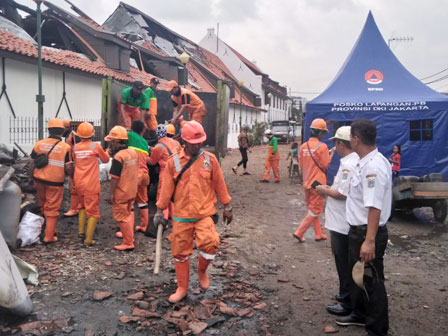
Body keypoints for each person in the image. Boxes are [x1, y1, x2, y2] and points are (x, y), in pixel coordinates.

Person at [154, 121, 233, 303]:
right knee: (180, 251)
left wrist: (227, 207)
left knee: (210, 242)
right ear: (184, 141)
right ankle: (182, 287)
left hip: (204, 213)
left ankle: (202, 271)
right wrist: (160, 211)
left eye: (200, 142)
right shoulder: (173, 161)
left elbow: (220, 185)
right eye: (193, 143)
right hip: (181, 215)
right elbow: (165, 189)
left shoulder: (209, 160)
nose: (197, 145)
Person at [335, 119, 391, 336]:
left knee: (372, 281)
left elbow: (374, 206)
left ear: (356, 139)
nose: (349, 140)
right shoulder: (363, 161)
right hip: (357, 231)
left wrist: (369, 240)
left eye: (351, 137)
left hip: (367, 232)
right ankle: (359, 314)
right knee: (357, 276)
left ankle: (377, 329)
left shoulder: (374, 167)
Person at [314, 126, 359, 317]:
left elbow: (341, 193)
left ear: (341, 143)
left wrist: (323, 189)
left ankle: (348, 301)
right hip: (343, 219)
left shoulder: (349, 164)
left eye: (336, 143)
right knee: (344, 261)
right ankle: (345, 294)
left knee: (344, 262)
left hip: (343, 222)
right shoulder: (352, 161)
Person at [30, 118, 73, 243]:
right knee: (52, 209)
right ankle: (49, 236)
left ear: (48, 129)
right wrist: (73, 178)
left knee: (42, 204)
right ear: (63, 130)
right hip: (55, 182)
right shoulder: (65, 147)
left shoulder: (39, 144)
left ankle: (43, 228)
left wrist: (30, 177)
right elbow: (69, 167)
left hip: (39, 179)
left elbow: (32, 162)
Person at [72, 122, 110, 245]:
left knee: (82, 206)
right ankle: (88, 240)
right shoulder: (95, 147)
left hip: (78, 182)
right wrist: (107, 151)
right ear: (92, 134)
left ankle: (81, 233)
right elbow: (105, 160)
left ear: (79, 135)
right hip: (91, 184)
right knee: (93, 211)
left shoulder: (75, 147)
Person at [293, 118, 330, 242]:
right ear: (321, 133)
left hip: (307, 182)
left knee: (313, 209)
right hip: (318, 183)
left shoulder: (303, 146)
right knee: (315, 210)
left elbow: (302, 163)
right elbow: (325, 165)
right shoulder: (323, 147)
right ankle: (299, 232)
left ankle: (318, 234)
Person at [106, 126, 139, 251]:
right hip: (132, 190)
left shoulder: (119, 157)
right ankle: (128, 235)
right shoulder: (133, 153)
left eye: (111, 141)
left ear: (115, 141)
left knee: (122, 216)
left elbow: (115, 178)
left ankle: (128, 242)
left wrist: (111, 194)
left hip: (122, 191)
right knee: (129, 212)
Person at [148, 124, 182, 220]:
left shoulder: (158, 146)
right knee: (173, 194)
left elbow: (152, 161)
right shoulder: (175, 143)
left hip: (166, 171)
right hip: (178, 169)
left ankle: (163, 219)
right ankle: (174, 216)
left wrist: (144, 157)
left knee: (162, 195)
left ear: (157, 135)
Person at [127, 120, 150, 233]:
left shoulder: (130, 135)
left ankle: (128, 231)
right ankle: (144, 226)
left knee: (129, 202)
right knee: (142, 201)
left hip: (134, 174)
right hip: (145, 174)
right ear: (142, 131)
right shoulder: (145, 142)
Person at [63, 119, 80, 217]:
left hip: (74, 164)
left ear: (66, 128)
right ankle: (77, 207)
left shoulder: (73, 136)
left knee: (73, 186)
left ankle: (75, 208)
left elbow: (77, 149)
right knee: (73, 186)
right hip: (72, 163)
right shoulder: (69, 136)